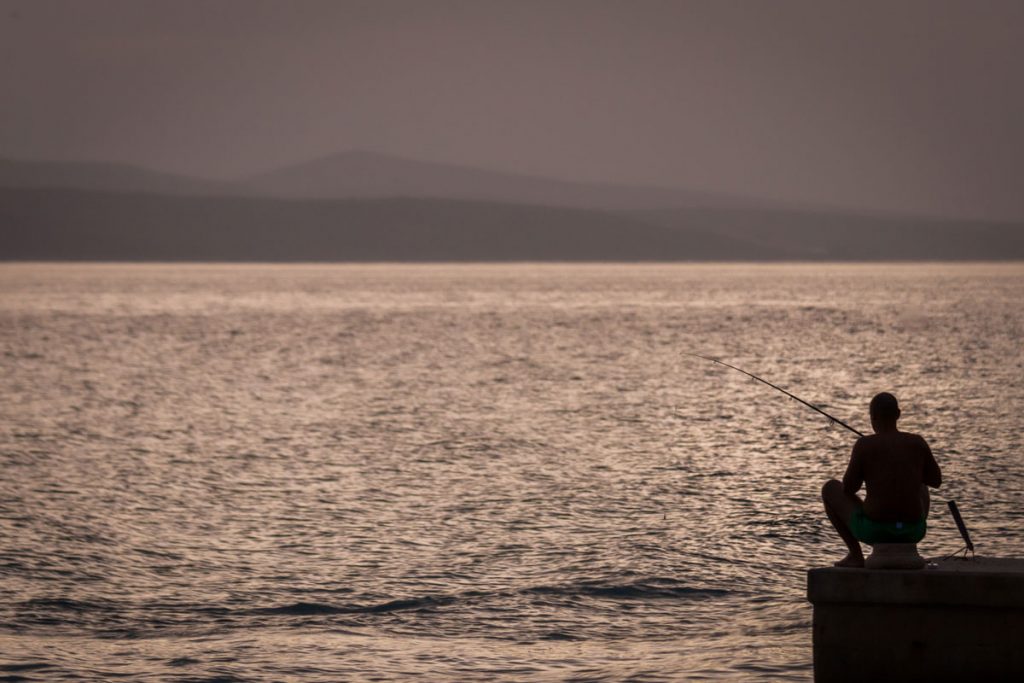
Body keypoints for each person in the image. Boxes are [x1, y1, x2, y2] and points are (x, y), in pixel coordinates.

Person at [821, 392, 942, 568]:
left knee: (830, 488)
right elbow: (936, 480)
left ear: (873, 417)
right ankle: (910, 549)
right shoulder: (917, 442)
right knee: (922, 483)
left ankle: (855, 555)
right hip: (913, 531)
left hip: (875, 531)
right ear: (898, 414)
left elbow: (848, 488)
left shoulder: (864, 445)